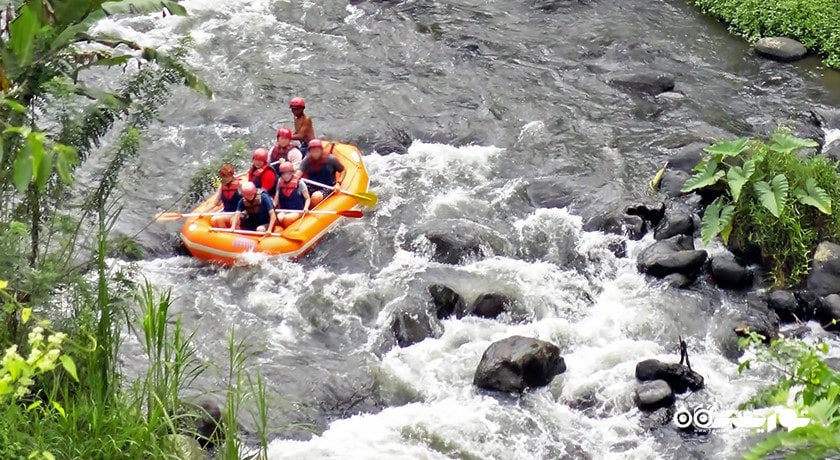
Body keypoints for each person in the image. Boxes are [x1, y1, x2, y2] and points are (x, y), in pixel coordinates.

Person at [297, 139, 346, 207]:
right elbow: (299, 173)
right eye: (313, 151)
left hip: (327, 186)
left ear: (321, 150)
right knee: (297, 193)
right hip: (311, 185)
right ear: (309, 151)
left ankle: (309, 208)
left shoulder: (331, 159)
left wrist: (338, 183)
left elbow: (343, 170)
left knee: (316, 197)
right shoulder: (307, 159)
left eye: (317, 151)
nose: (315, 153)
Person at [273, 162, 311, 228]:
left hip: (298, 211)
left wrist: (306, 207)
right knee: (278, 219)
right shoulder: (279, 182)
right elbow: (276, 198)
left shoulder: (300, 183)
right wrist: (272, 207)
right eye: (283, 174)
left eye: (288, 173)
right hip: (284, 210)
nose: (286, 176)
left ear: (292, 173)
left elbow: (307, 198)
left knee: (287, 219)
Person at [209, 164, 241, 228]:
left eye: (227, 176)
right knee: (214, 220)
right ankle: (225, 234)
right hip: (227, 212)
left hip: (238, 212)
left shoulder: (239, 185)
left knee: (216, 219)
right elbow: (215, 202)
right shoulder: (222, 185)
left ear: (231, 175)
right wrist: (203, 212)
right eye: (223, 176)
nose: (225, 178)